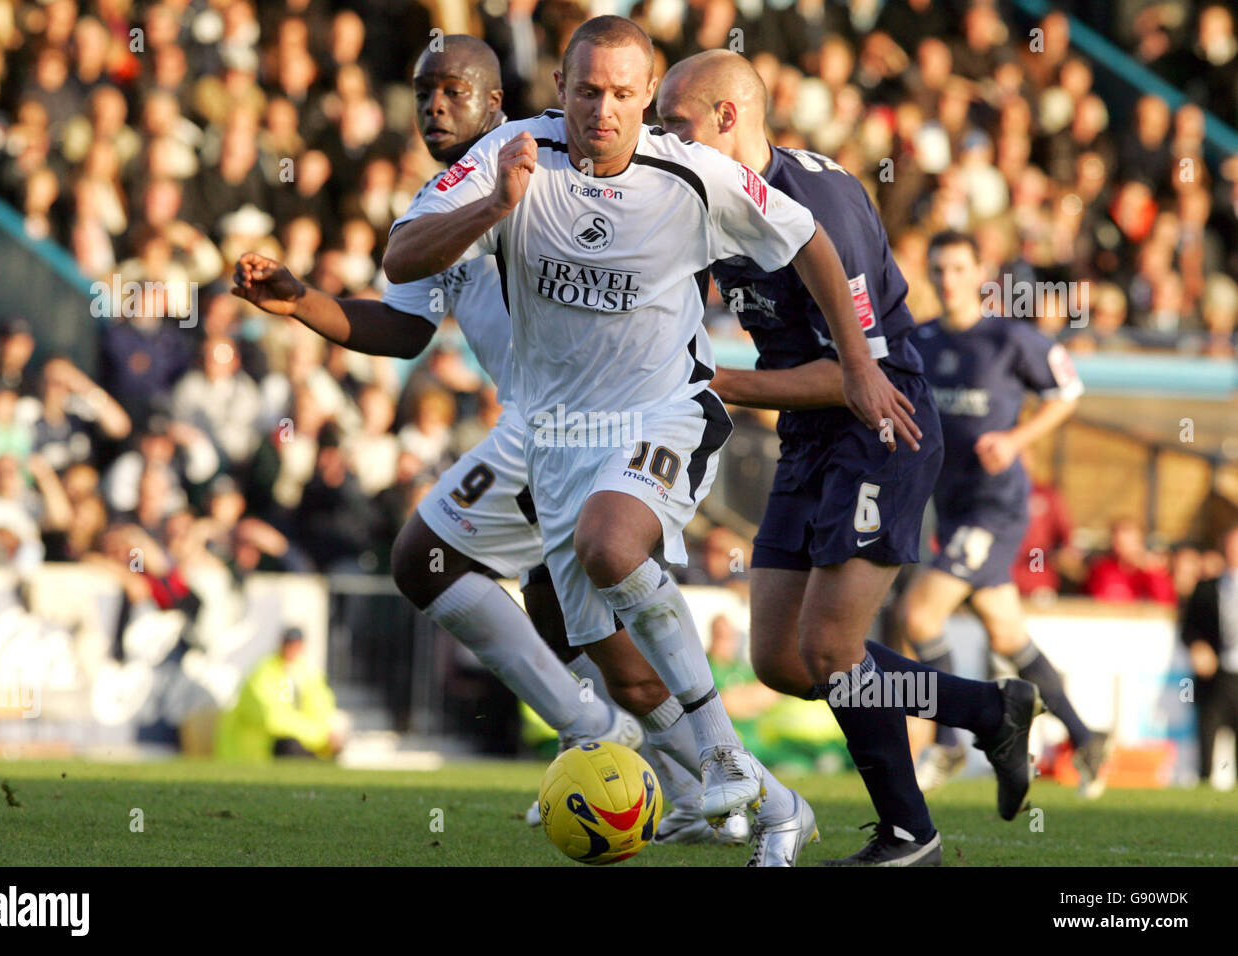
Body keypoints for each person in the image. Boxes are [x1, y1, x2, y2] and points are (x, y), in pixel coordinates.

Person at [383, 16, 916, 865]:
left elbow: (809, 237)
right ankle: (779, 808)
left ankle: (721, 758)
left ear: (646, 97)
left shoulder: (694, 172)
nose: (605, 110)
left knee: (611, 540)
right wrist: (495, 206)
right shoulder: (510, 156)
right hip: (559, 441)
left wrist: (855, 361)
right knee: (630, 678)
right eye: (588, 90)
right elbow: (401, 255)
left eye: (625, 95)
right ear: (559, 89)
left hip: (668, 410)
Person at [233, 34, 741, 846]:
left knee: (437, 562)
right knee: (550, 609)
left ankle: (645, 752)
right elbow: (402, 327)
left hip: (595, 421)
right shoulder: (449, 200)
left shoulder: (550, 161)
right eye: (422, 89)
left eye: (454, 90)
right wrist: (302, 303)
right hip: (542, 428)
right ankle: (692, 779)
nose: (434, 104)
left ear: (499, 104)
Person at [657, 49, 1039, 866]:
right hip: (806, 433)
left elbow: (854, 374)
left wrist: (705, 380)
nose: (663, 138)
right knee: (785, 661)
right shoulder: (707, 199)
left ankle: (911, 834)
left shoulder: (813, 200)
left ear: (729, 116)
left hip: (880, 426)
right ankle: (988, 708)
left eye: (675, 122)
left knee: (832, 650)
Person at [905, 230, 1108, 797]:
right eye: (939, 269)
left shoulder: (1009, 338)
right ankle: (1086, 736)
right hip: (950, 506)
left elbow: (1068, 391)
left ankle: (946, 745)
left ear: (980, 272)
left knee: (921, 616)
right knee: (1007, 633)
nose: (948, 280)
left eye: (958, 268)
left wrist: (1017, 439)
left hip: (995, 507)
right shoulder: (918, 340)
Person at [214, 627, 347, 760]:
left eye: (295, 645)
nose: (291, 649)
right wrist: (320, 736)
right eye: (288, 644)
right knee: (290, 746)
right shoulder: (266, 672)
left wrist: (327, 734)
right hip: (258, 751)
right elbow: (273, 718)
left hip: (299, 741)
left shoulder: (302, 673)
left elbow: (320, 707)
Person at [1180, 523, 1238, 786]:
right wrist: (1198, 645)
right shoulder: (1205, 588)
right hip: (1217, 676)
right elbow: (1188, 628)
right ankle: (1203, 786)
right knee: (1207, 732)